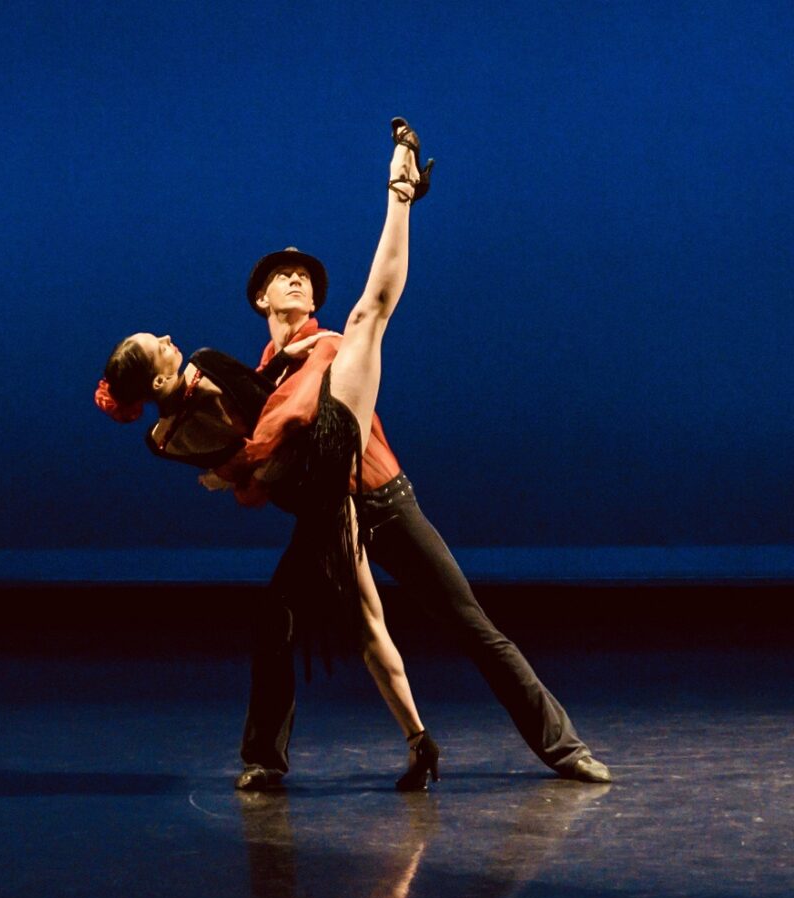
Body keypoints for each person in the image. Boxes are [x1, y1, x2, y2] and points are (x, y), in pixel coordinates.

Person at [237, 158, 613, 789]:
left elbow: (380, 295)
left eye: (304, 275)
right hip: (329, 518)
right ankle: (266, 761)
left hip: (383, 502)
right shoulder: (263, 377)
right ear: (262, 298)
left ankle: (563, 747)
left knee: (470, 624)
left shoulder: (334, 345)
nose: (297, 278)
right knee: (278, 620)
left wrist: (400, 198)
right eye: (283, 275)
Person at [97, 118, 440, 790]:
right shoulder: (174, 425)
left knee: (354, 622)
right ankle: (402, 744)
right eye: (159, 347)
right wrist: (238, 467)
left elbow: (272, 414)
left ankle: (398, 743)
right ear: (159, 382)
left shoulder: (241, 362)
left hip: (328, 494)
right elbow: (242, 437)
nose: (171, 336)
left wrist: (241, 463)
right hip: (314, 501)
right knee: (345, 622)